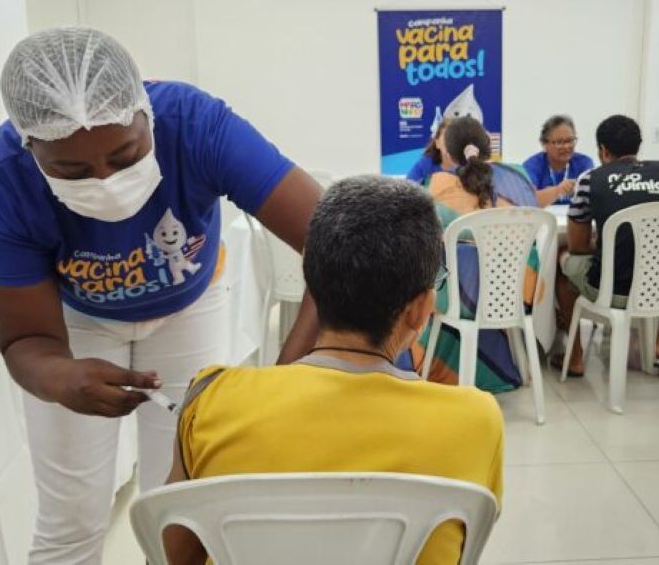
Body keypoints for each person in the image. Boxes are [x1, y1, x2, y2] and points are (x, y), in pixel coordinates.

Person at [0, 27, 323, 564]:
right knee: (72, 517)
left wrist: (287, 377)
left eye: (126, 154)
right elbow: (27, 340)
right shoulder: (0, 179)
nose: (107, 182)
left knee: (180, 506)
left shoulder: (195, 125)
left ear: (146, 114)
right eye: (72, 171)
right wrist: (61, 377)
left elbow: (335, 244)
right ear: (29, 146)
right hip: (75, 324)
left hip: (188, 308)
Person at [164, 176, 504, 565]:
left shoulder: (211, 400)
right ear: (421, 309)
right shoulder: (475, 420)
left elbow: (170, 556)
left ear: (311, 280)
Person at [398, 115, 540, 393]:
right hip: (517, 293)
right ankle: (504, 368)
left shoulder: (437, 184)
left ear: (447, 152)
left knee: (420, 277)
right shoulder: (520, 178)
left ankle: (428, 363)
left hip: (461, 300)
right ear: (488, 147)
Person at [555, 115, 659, 377]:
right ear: (638, 147)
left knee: (561, 261)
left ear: (603, 150)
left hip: (612, 290)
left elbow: (578, 246)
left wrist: (605, 245)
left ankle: (574, 356)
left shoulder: (590, 180)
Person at [522, 115, 595, 206]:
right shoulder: (532, 165)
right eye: (559, 142)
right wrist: (558, 190)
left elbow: (592, 198)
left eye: (570, 140)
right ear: (544, 144)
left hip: (574, 218)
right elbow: (527, 201)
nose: (566, 146)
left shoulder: (584, 163)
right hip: (544, 218)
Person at [406, 119, 449, 185]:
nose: (451, 143)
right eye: (447, 138)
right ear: (437, 143)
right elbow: (408, 187)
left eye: (455, 139)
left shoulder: (466, 165)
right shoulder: (426, 163)